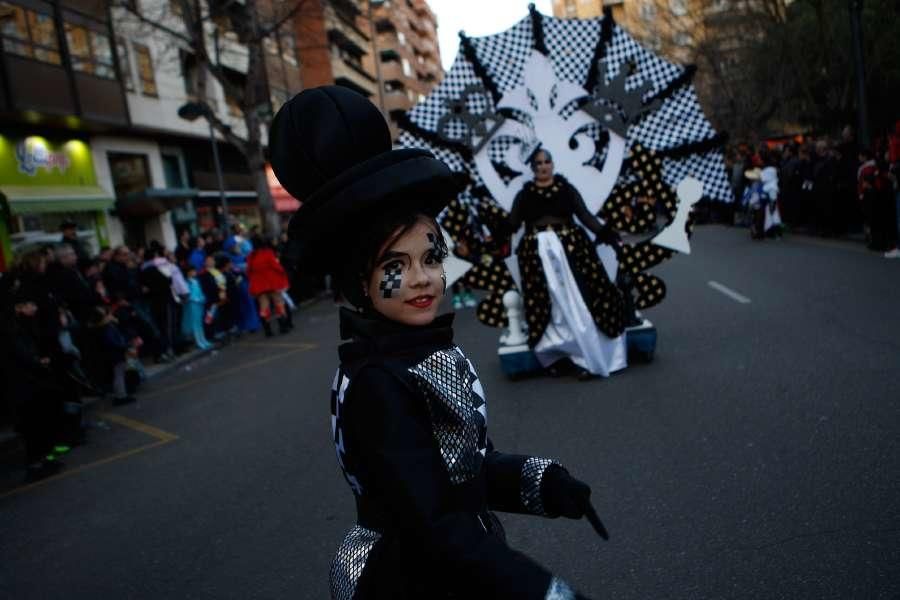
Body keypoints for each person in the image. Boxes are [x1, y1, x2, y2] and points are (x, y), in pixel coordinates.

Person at [270, 85, 607, 600]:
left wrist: (543, 483)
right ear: (359, 281)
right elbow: (434, 523)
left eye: (431, 258)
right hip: (412, 578)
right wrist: (544, 592)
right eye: (394, 267)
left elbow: (461, 470)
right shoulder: (379, 382)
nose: (423, 279)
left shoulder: (417, 355)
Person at [506, 148, 626, 380]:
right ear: (533, 168)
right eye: (538, 163)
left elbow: (585, 216)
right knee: (549, 305)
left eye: (546, 161)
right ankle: (556, 355)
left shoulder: (566, 190)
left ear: (553, 164)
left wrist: (608, 234)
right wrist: (493, 237)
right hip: (536, 258)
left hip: (571, 253)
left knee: (578, 301)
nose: (543, 166)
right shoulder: (524, 195)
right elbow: (512, 223)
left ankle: (585, 356)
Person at [246, 235, 290, 336]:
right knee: (278, 302)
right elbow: (276, 266)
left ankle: (268, 330)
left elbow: (248, 271)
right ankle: (283, 326)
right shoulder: (267, 253)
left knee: (263, 307)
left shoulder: (251, 256)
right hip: (271, 282)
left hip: (258, 284)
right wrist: (283, 273)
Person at [180, 264, 212, 350]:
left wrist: (202, 298)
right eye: (193, 271)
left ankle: (203, 339)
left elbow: (200, 291)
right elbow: (188, 295)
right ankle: (198, 341)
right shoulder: (187, 282)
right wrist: (197, 299)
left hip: (199, 303)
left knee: (200, 323)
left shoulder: (196, 281)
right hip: (192, 304)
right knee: (195, 324)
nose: (195, 272)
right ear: (188, 272)